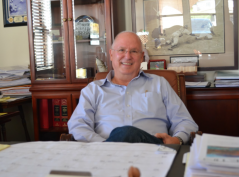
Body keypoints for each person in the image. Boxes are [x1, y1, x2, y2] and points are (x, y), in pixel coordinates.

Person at [68, 31, 198, 145]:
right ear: (111, 55)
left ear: (141, 57)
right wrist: (103, 145)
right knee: (125, 133)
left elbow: (185, 121)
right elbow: (78, 125)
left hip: (154, 151)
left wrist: (177, 140)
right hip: (107, 154)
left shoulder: (160, 84)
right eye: (121, 50)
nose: (127, 56)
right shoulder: (93, 90)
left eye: (134, 51)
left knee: (127, 133)